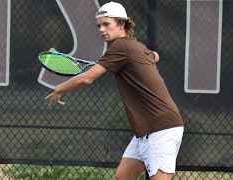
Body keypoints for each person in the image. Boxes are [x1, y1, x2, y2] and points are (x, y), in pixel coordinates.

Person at [45, 1, 184, 179]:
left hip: (160, 128)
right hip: (145, 131)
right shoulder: (136, 46)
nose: (102, 29)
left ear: (121, 23)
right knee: (121, 177)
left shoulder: (121, 46)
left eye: (106, 24)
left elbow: (87, 78)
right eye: (99, 26)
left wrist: (59, 87)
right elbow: (155, 56)